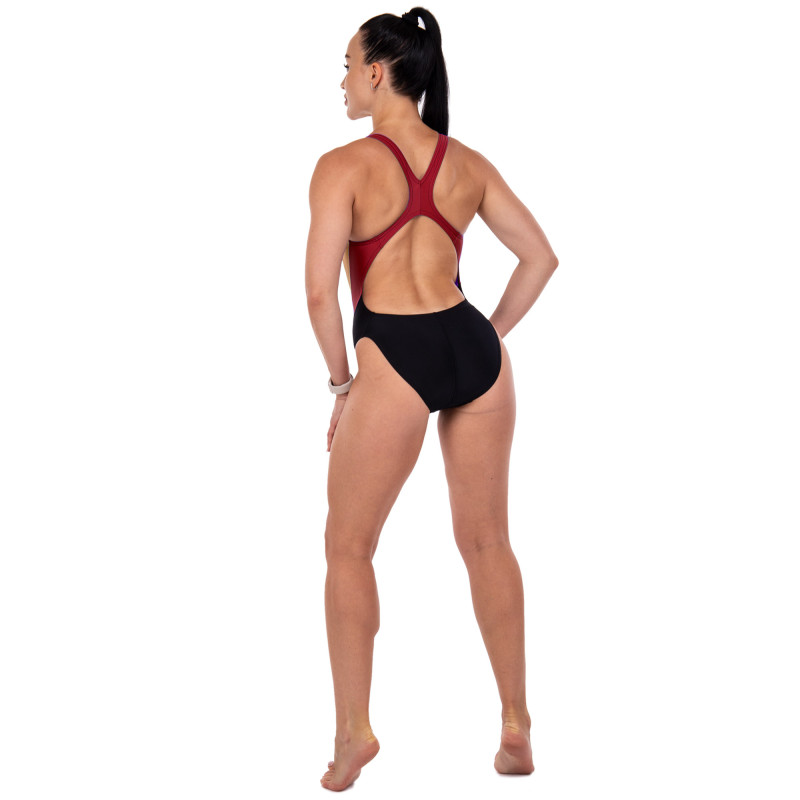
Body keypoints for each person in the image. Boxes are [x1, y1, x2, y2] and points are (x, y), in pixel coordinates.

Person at [305, 7, 559, 792]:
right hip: (472, 351)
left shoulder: (342, 166)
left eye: (347, 66)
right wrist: (489, 336)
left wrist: (344, 385)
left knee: (348, 547)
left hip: (396, 356)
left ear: (377, 71)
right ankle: (516, 724)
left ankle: (353, 733)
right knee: (489, 543)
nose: (342, 82)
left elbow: (318, 296)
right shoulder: (467, 162)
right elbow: (540, 257)